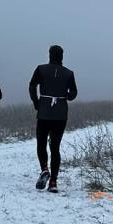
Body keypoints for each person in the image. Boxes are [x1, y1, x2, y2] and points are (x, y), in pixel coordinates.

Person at [28, 45, 77, 192]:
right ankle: (53, 183)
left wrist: (36, 102)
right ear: (62, 56)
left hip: (44, 111)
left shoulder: (41, 69)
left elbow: (32, 86)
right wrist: (66, 96)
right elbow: (73, 93)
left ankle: (44, 169)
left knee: (41, 143)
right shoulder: (68, 73)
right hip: (60, 113)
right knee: (55, 147)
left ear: (49, 55)